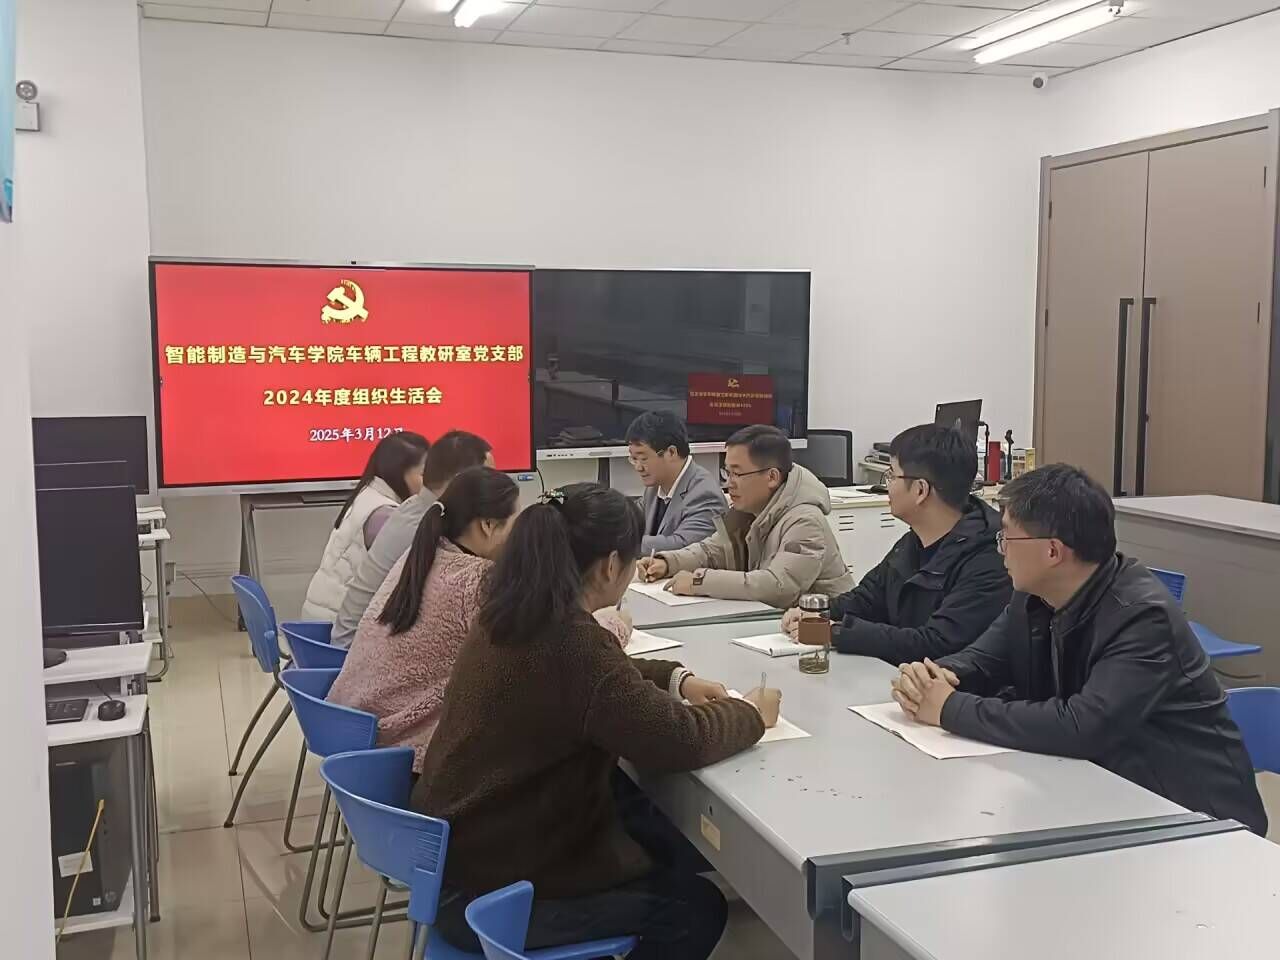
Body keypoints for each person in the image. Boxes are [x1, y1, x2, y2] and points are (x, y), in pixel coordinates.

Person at [415, 483, 781, 959]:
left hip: (461, 861)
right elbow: (681, 739)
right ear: (611, 565)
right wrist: (749, 713)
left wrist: (676, 679)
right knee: (695, 908)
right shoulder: (571, 643)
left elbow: (596, 677)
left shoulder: (514, 614)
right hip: (501, 894)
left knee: (656, 832)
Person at [891, 464, 1267, 835]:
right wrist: (937, 676)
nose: (1000, 549)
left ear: (1052, 551)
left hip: (1196, 818)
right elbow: (983, 659)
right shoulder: (1033, 596)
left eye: (1007, 537)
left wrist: (949, 708)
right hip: (1101, 793)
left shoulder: (1142, 617)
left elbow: (1083, 726)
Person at [326, 467, 519, 771]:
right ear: (487, 525)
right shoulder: (475, 578)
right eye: (515, 525)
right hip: (396, 756)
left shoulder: (423, 555)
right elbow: (518, 662)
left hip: (356, 734)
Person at [782, 424, 1010, 663]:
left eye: (892, 475)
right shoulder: (914, 541)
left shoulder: (989, 555)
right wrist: (816, 612)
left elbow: (937, 642)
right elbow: (866, 599)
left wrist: (836, 633)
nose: (887, 485)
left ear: (920, 490)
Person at [637, 424, 853, 608]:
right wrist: (667, 563)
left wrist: (698, 582)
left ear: (772, 477)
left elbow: (779, 586)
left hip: (824, 630)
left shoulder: (805, 520)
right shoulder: (750, 510)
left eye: (737, 473)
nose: (729, 483)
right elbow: (711, 551)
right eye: (727, 473)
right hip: (777, 623)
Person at [329, 430, 493, 648]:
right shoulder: (424, 529)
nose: (496, 487)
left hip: (357, 642)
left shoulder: (415, 507)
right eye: (490, 478)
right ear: (462, 482)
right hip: (356, 652)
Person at [299, 431, 429, 622]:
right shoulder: (384, 514)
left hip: (319, 618)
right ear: (398, 473)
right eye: (424, 474)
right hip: (336, 626)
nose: (430, 483)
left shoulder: (368, 493)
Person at [625, 411, 726, 554]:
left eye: (643, 458)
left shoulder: (705, 494)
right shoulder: (656, 485)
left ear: (671, 452)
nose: (638, 467)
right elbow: (630, 518)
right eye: (634, 459)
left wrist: (620, 543)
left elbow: (683, 545)